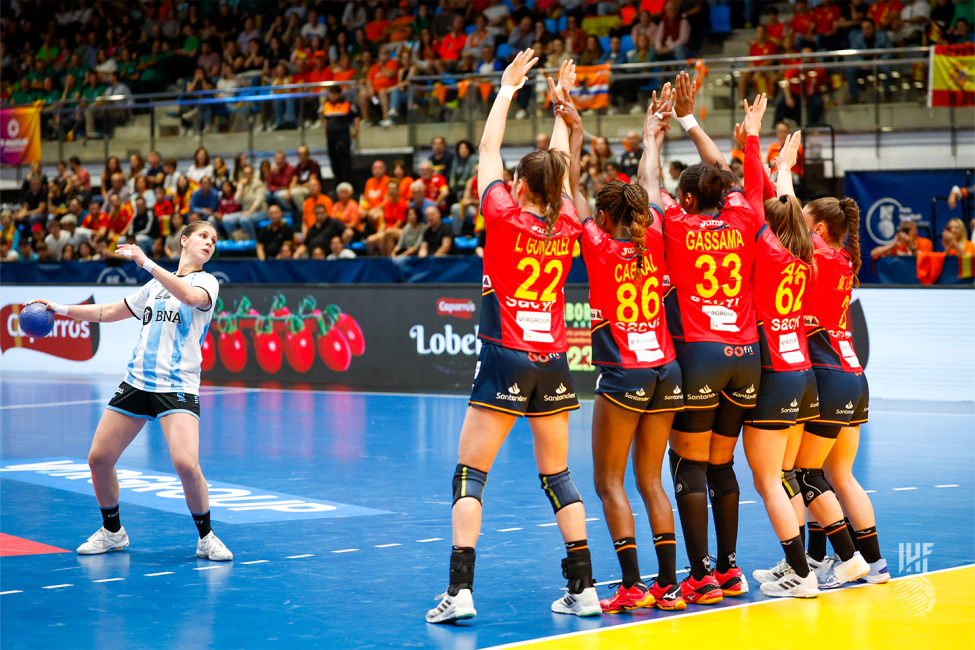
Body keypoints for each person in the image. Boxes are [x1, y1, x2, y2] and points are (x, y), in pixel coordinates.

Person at [425, 53, 596, 625]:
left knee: (470, 473)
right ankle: (584, 587)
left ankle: (461, 591)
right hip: (553, 358)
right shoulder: (569, 220)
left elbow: (487, 153)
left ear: (520, 185)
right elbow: (560, 169)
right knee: (559, 476)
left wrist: (506, 90)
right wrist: (560, 111)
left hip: (505, 355)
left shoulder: (503, 215)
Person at [25, 221, 232, 562]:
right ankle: (112, 532)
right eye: (203, 236)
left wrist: (147, 262)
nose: (210, 242)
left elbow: (190, 296)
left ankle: (206, 537)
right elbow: (109, 312)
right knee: (99, 459)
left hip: (176, 384)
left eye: (214, 240)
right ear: (184, 240)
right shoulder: (154, 286)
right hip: (137, 382)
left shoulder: (205, 282)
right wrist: (59, 309)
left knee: (186, 463)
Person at [556, 83, 687, 612]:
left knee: (609, 481)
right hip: (668, 368)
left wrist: (577, 133)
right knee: (651, 479)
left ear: (605, 218)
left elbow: (571, 192)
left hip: (626, 374)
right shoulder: (653, 232)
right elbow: (651, 188)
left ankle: (632, 585)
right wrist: (653, 141)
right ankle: (670, 585)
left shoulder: (597, 241)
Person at [639, 72, 760, 605]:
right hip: (746, 356)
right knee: (721, 464)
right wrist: (690, 120)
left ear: (685, 197)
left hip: (700, 352)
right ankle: (731, 569)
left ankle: (701, 574)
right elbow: (728, 175)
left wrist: (652, 137)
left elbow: (646, 190)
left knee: (686, 464)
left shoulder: (677, 224)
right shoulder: (740, 214)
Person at [736, 96, 821, 598]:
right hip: (802, 371)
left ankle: (803, 575)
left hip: (772, 370)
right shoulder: (804, 252)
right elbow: (780, 204)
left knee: (767, 479)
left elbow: (754, 194)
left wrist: (751, 138)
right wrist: (783, 170)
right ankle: (798, 565)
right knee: (785, 476)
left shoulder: (764, 247)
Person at [797, 196, 888, 585]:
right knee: (841, 475)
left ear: (817, 230)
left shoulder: (816, 254)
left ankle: (847, 559)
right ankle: (874, 566)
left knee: (805, 473)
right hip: (854, 373)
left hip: (828, 373)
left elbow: (789, 215)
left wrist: (781, 170)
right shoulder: (844, 260)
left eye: (803, 219)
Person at [845, 19, 894, 104]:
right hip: (864, 63)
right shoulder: (858, 37)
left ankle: (887, 95)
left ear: (874, 28)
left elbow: (889, 51)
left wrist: (880, 61)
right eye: (863, 28)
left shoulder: (882, 35)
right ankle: (854, 97)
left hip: (879, 62)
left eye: (868, 28)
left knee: (887, 70)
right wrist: (861, 63)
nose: (866, 31)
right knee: (850, 69)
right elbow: (855, 53)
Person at [322, 85, 360, 185]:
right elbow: (325, 119)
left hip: (343, 135)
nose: (332, 96)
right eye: (331, 94)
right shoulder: (327, 105)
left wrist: (356, 130)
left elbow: (356, 116)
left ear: (339, 94)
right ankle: (337, 180)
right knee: (333, 158)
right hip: (331, 136)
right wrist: (325, 130)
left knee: (344, 159)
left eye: (335, 94)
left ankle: (347, 180)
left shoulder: (347, 105)